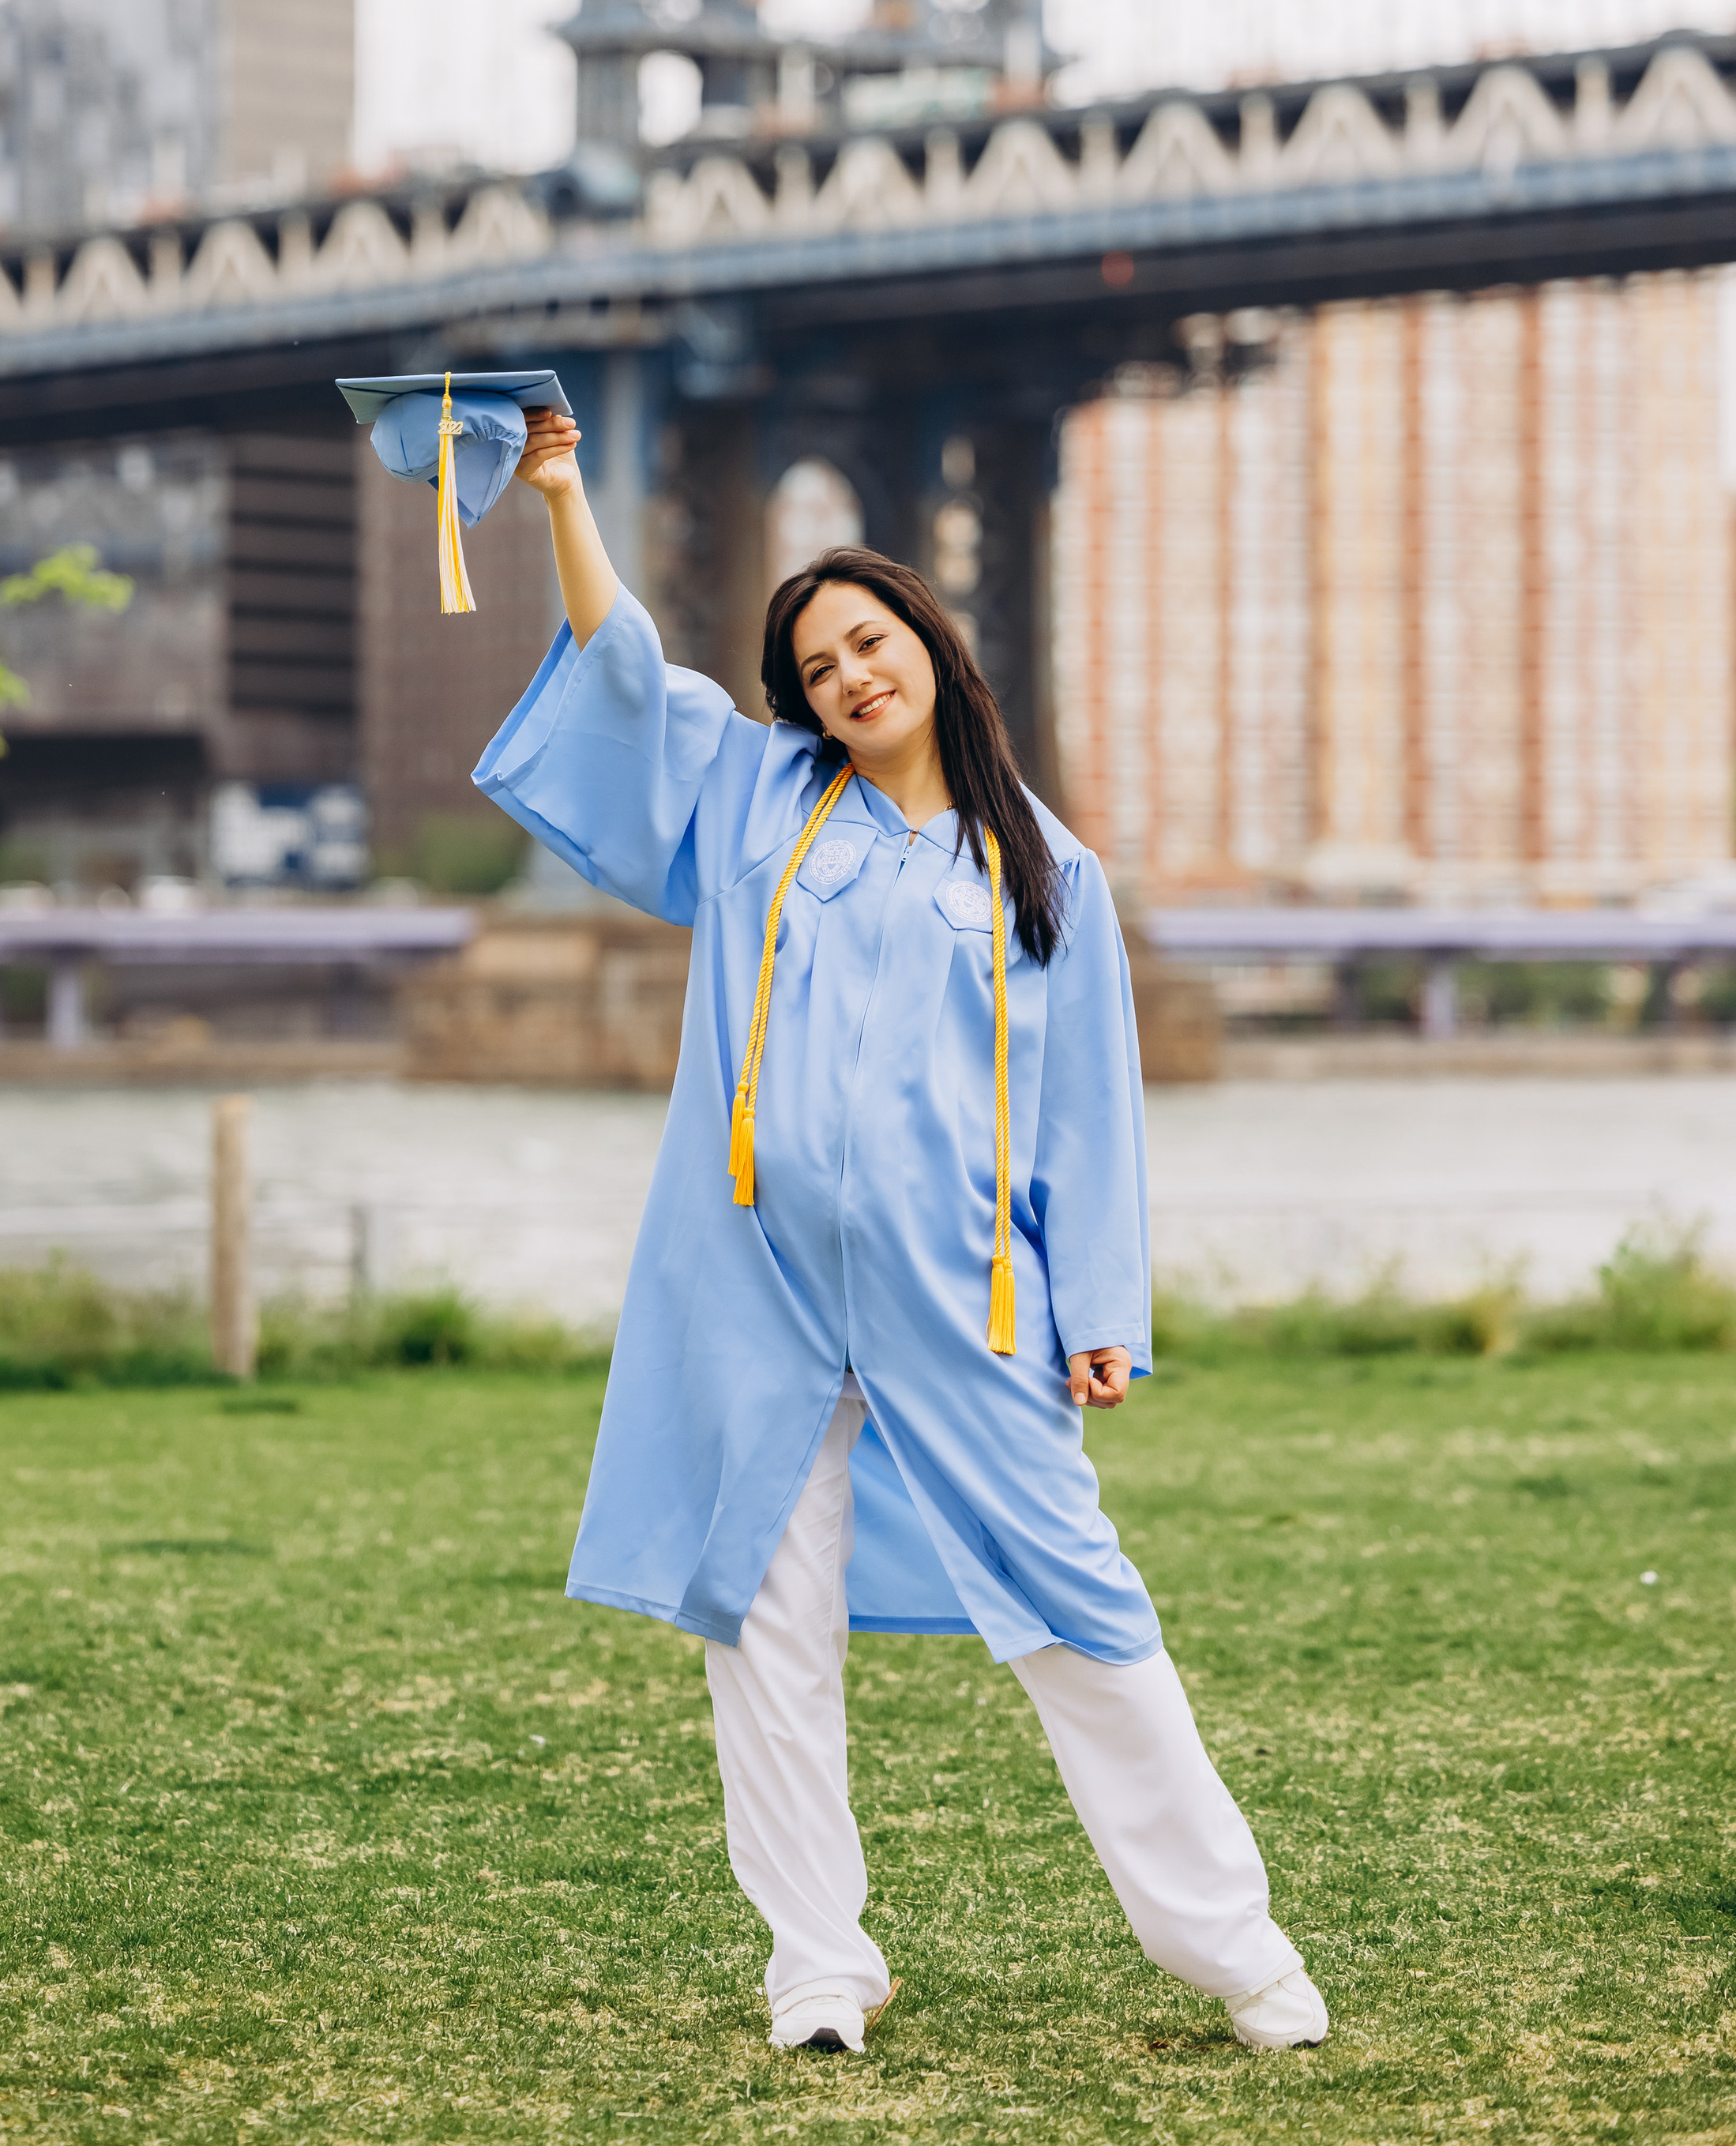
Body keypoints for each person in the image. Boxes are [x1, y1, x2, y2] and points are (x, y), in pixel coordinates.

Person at [474, 407, 1328, 2059]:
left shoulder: (1043, 870)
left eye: (870, 639)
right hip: (754, 1281)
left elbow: (1089, 1114)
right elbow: (625, 663)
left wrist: (1102, 1305)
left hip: (968, 1291)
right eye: (816, 662)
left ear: (926, 644)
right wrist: (567, 497)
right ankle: (817, 1957)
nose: (849, 674)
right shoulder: (755, 797)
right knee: (762, 1617)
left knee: (1078, 1604)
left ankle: (1235, 1945)